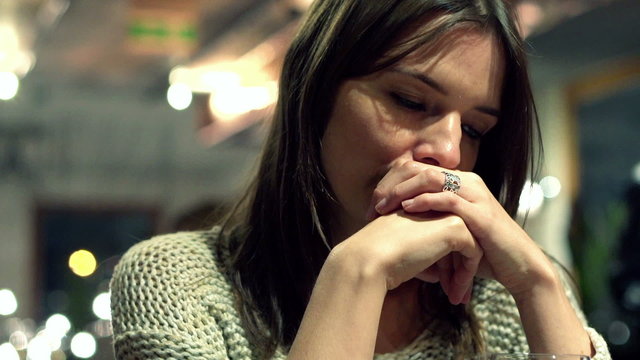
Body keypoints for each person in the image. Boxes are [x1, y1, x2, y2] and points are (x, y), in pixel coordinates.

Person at [110, 0, 611, 359]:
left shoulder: (506, 301)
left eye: (476, 128)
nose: (450, 152)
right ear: (316, 93)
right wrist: (355, 273)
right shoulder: (179, 285)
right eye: (411, 101)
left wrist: (539, 283)